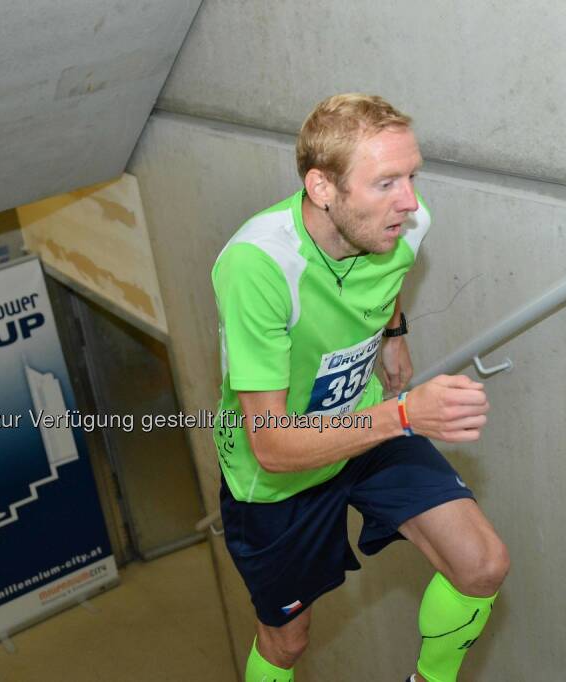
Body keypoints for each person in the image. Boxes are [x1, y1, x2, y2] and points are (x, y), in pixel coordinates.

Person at [211, 94, 509, 682]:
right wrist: (404, 414)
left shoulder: (402, 225)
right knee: (287, 643)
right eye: (386, 184)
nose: (411, 202)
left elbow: (385, 268)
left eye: (413, 176)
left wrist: (393, 331)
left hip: (366, 425)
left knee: (482, 565)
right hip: (277, 474)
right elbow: (271, 445)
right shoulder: (258, 266)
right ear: (322, 188)